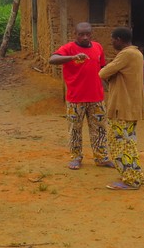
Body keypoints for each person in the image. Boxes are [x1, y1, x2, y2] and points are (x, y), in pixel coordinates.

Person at [49, 22, 115, 170]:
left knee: (99, 129)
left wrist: (109, 85)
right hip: (75, 99)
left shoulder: (98, 47)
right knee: (75, 130)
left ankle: (101, 157)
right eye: (81, 34)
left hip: (97, 98)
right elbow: (52, 59)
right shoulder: (69, 48)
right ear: (75, 34)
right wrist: (72, 57)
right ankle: (76, 157)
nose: (85, 37)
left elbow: (103, 69)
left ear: (91, 34)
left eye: (87, 34)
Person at [99, 27, 144, 190]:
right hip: (131, 107)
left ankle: (131, 180)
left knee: (120, 144)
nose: (112, 42)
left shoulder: (126, 54)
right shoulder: (137, 53)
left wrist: (109, 73)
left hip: (122, 106)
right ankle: (135, 175)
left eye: (113, 39)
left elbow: (103, 72)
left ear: (119, 39)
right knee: (129, 143)